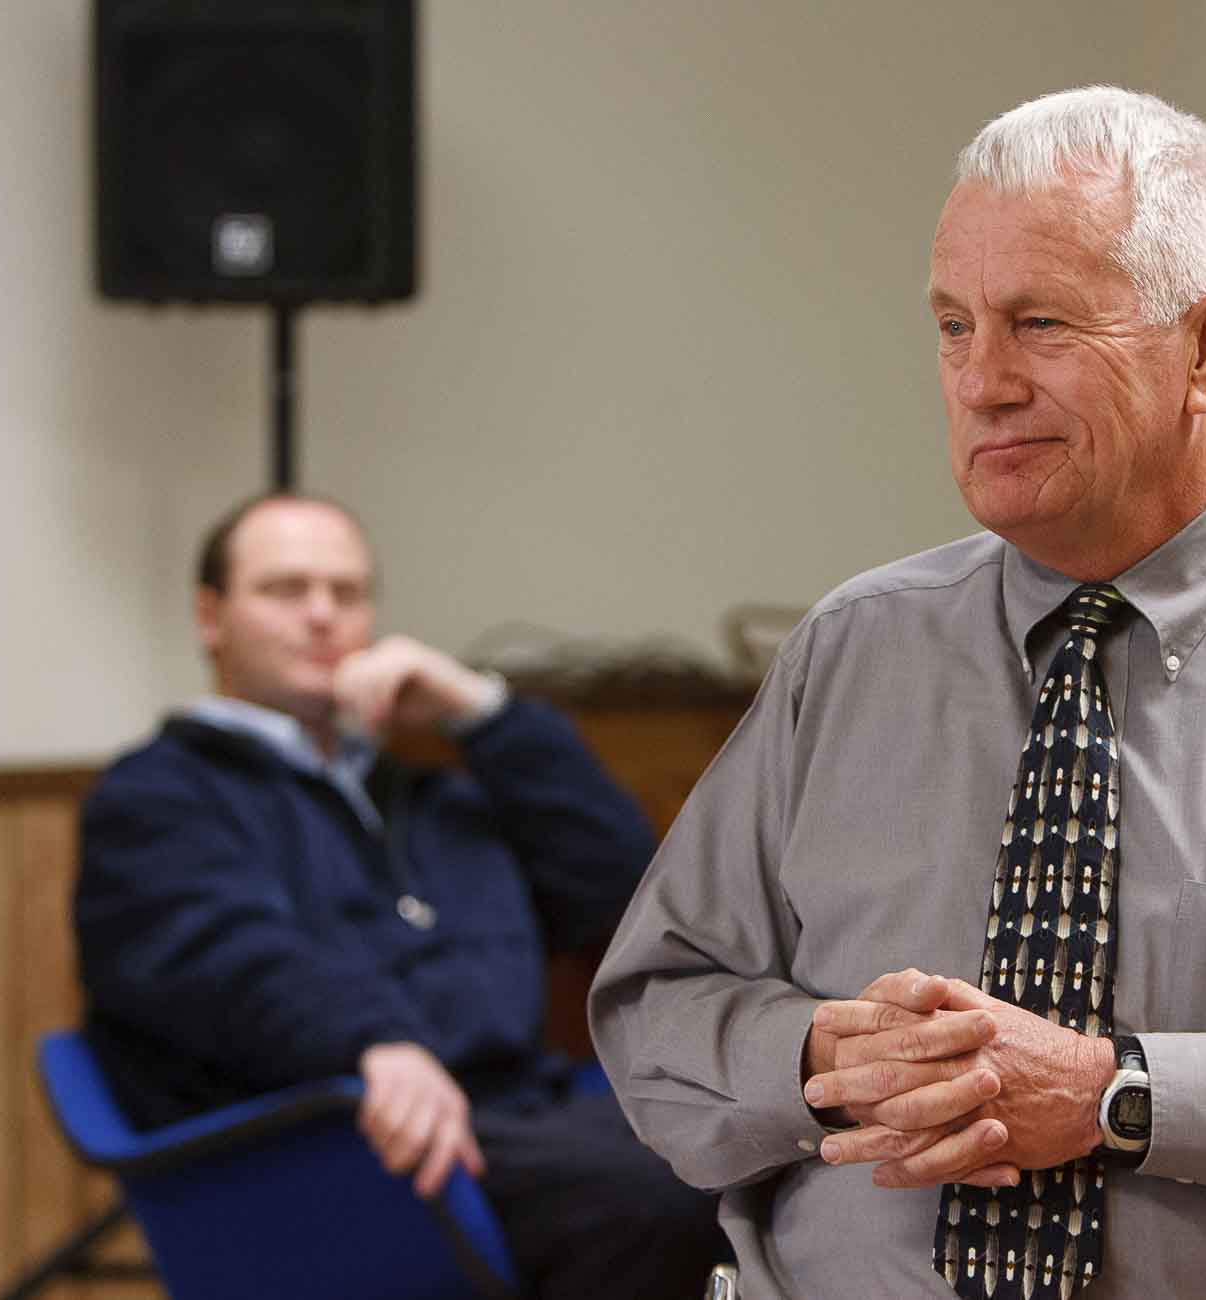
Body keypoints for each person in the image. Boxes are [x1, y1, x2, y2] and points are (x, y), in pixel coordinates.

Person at [590, 87, 1206, 1298]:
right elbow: (654, 1009)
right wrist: (813, 1054)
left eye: (1040, 323)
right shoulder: (847, 650)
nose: (981, 381)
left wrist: (1117, 1093)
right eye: (953, 327)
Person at [75, 492, 725, 1300]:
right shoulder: (157, 797)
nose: (322, 615)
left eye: (347, 594)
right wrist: (374, 1040)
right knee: (676, 1192)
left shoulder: (435, 799)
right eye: (285, 590)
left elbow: (630, 896)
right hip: (328, 1149)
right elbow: (222, 954)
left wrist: (481, 712)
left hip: (516, 1114)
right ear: (211, 617)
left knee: (778, 1147)